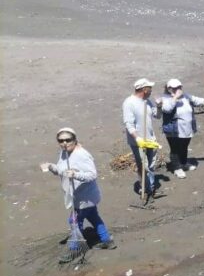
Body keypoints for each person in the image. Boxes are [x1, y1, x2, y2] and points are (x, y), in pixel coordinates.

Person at [41, 128, 116, 263]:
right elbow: (62, 170)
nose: (64, 143)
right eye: (61, 141)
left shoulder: (82, 155)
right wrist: (51, 166)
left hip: (85, 197)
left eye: (68, 140)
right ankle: (107, 240)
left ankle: (74, 249)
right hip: (76, 196)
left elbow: (92, 175)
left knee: (74, 222)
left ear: (75, 140)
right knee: (94, 217)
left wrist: (75, 175)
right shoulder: (64, 152)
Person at [160, 78, 204, 179]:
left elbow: (197, 100)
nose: (178, 89)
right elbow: (167, 109)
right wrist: (175, 97)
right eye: (175, 88)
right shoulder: (165, 98)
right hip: (174, 130)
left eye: (179, 87)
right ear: (169, 89)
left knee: (184, 147)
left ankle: (183, 163)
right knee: (175, 149)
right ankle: (177, 168)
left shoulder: (186, 96)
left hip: (187, 129)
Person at [122, 78, 160, 196]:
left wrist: (159, 107)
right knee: (143, 166)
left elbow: (157, 116)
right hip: (138, 142)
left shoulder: (147, 101)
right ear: (144, 89)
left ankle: (151, 188)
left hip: (150, 139)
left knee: (151, 165)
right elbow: (129, 124)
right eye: (150, 88)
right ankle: (144, 188)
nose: (151, 90)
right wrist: (137, 138)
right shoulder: (129, 103)